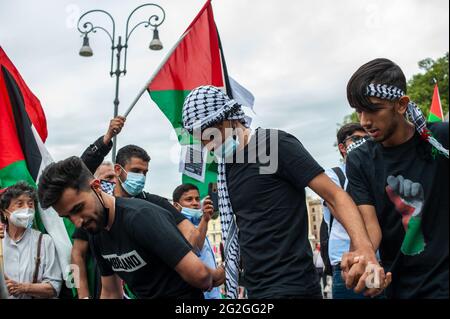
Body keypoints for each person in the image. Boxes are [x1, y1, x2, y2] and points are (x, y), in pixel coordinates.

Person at [181, 85, 388, 299]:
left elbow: (335, 196)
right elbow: (253, 230)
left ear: (230, 118)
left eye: (209, 135)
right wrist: (226, 271)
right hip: (256, 290)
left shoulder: (274, 145)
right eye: (202, 139)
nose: (207, 145)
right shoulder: (228, 169)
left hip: (293, 286)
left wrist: (365, 250)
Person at [37, 157, 225, 299]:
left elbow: (199, 275)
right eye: (67, 217)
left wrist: (216, 275)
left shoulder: (140, 217)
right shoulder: (96, 232)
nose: (77, 222)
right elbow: (110, 292)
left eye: (78, 209)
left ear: (96, 186)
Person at [344, 58, 449, 299]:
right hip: (397, 287)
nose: (364, 121)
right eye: (359, 111)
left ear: (401, 105)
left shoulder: (441, 141)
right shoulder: (360, 160)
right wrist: (366, 261)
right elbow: (370, 227)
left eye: (373, 109)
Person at [80, 116, 210, 253]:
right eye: (136, 171)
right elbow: (80, 173)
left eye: (145, 172)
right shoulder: (102, 201)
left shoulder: (155, 203)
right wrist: (107, 138)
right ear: (118, 170)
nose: (141, 177)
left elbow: (191, 237)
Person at [322, 123, 377, 299]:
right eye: (357, 140)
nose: (363, 143)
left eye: (367, 139)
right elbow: (344, 213)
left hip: (375, 261)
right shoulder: (333, 175)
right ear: (342, 147)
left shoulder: (374, 172)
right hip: (346, 264)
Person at [0, 182, 62, 299]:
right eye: (20, 204)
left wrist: (23, 288)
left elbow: (54, 287)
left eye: (30, 204)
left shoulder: (44, 241)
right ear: (4, 212)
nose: (27, 209)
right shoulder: (0, 242)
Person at [71, 162, 114, 299]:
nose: (114, 181)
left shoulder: (124, 208)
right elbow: (77, 254)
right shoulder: (90, 216)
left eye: (115, 177)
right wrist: (83, 295)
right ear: (96, 184)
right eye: (108, 178)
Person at [172, 183, 222, 299]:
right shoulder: (177, 228)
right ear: (176, 206)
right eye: (189, 199)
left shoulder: (199, 223)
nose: (195, 203)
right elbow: (194, 249)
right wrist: (205, 220)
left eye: (197, 199)